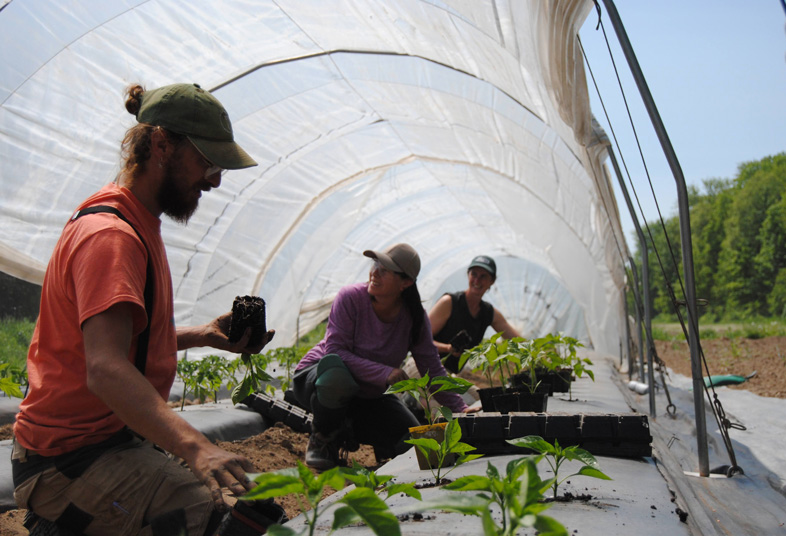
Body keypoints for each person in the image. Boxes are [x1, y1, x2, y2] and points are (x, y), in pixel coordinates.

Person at [12, 83, 285, 536]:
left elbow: (110, 343)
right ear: (162, 144)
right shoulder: (111, 236)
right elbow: (104, 368)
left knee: (251, 508)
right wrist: (197, 447)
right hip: (69, 460)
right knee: (231, 522)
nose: (215, 180)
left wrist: (202, 335)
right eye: (208, 162)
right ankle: (60, 521)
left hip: (109, 443)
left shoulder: (137, 221)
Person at [291, 243, 468, 470]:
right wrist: (386, 372)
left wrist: (461, 409)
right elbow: (335, 352)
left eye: (385, 269)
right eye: (375, 264)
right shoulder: (351, 298)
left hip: (369, 393)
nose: (375, 272)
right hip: (319, 377)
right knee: (337, 377)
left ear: (405, 283)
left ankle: (351, 430)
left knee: (425, 446)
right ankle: (322, 439)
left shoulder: (414, 318)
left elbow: (431, 368)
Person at [429, 255, 521, 372]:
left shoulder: (488, 313)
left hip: (449, 375)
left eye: (483, 276)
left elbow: (517, 341)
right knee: (451, 390)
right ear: (468, 275)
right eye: (474, 274)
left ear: (491, 281)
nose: (477, 281)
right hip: (425, 366)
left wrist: (541, 354)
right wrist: (448, 348)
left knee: (476, 391)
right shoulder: (449, 302)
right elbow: (421, 340)